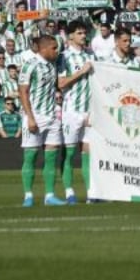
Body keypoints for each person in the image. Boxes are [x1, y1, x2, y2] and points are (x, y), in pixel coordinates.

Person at [19, 35, 63, 208]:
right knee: (30, 156)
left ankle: (50, 195)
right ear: (43, 49)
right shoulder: (30, 65)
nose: (56, 51)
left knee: (51, 157)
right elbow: (23, 91)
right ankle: (28, 196)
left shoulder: (53, 65)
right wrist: (29, 117)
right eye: (53, 47)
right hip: (35, 115)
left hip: (52, 115)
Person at [58, 21, 96, 204]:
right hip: (71, 111)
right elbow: (61, 83)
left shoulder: (91, 55)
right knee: (70, 153)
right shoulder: (64, 57)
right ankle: (69, 191)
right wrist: (81, 72)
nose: (83, 36)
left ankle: (91, 193)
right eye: (79, 33)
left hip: (88, 111)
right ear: (70, 36)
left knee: (88, 152)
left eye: (84, 33)